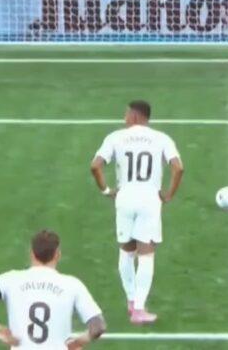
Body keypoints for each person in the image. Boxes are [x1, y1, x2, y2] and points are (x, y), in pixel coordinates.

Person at [90, 100, 184, 325]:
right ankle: (139, 309)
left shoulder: (115, 137)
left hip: (124, 198)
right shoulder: (161, 138)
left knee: (126, 250)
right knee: (146, 254)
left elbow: (95, 165)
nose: (124, 117)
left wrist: (106, 190)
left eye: (126, 113)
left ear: (134, 116)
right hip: (149, 200)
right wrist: (169, 194)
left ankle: (131, 301)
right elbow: (178, 167)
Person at [0, 230, 106, 349]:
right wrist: (77, 342)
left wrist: (1, 330)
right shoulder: (73, 285)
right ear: (57, 254)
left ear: (31, 253)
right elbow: (98, 327)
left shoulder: (9, 280)